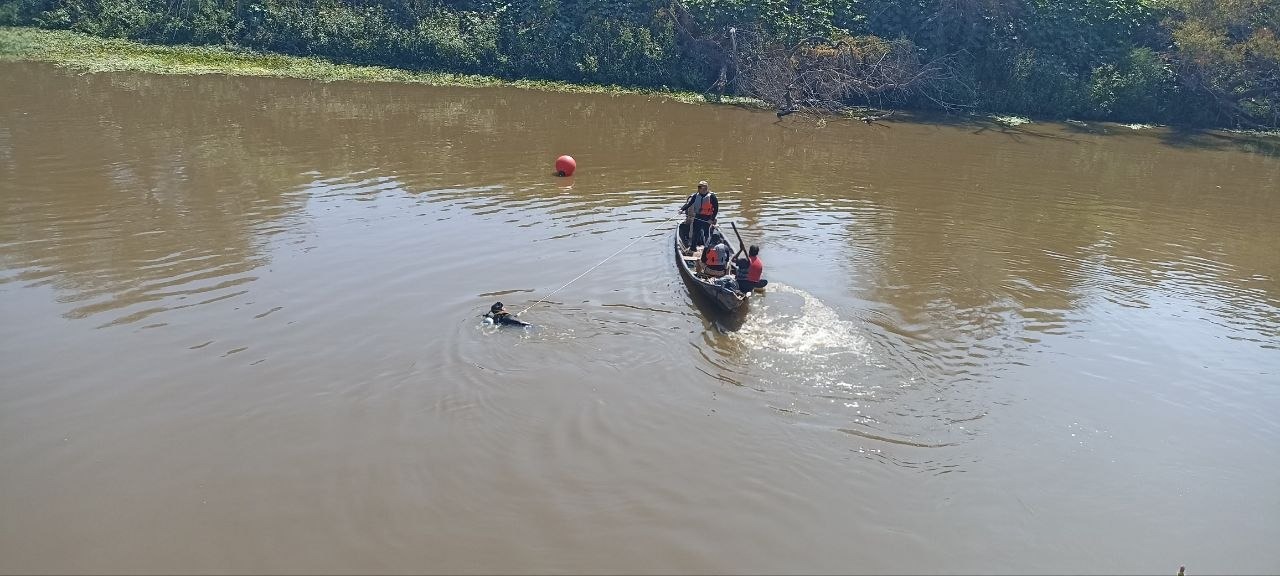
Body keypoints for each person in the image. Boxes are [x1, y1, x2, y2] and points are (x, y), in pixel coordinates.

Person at [678, 180, 718, 250]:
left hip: (707, 218)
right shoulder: (695, 196)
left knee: (706, 234)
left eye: (700, 187)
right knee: (695, 233)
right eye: (698, 187)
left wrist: (712, 219)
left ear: (705, 188)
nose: (698, 188)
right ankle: (693, 248)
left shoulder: (712, 197)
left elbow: (716, 209)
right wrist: (682, 209)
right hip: (698, 216)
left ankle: (707, 249)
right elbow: (689, 204)